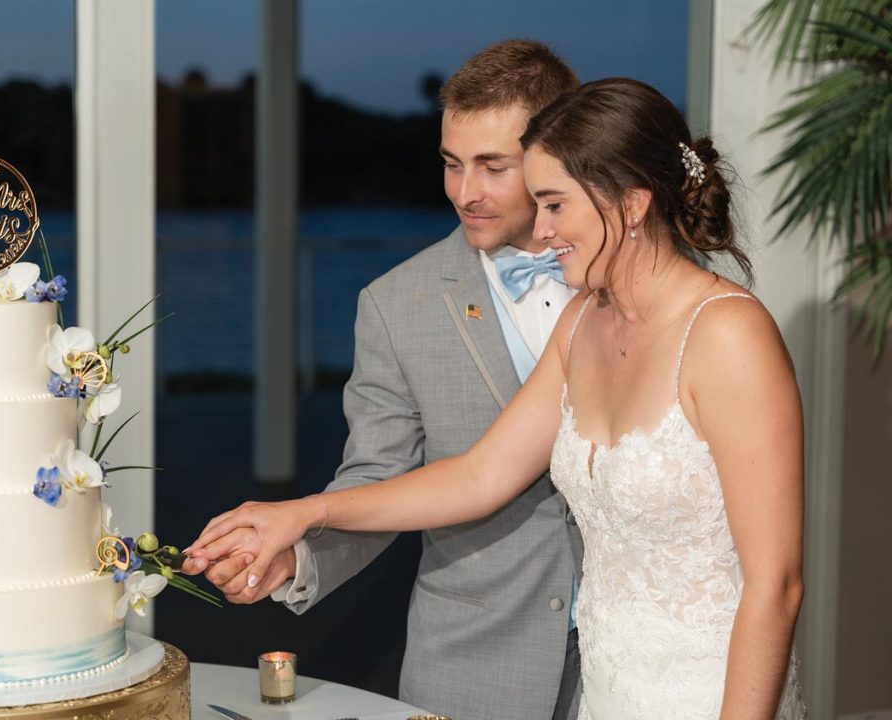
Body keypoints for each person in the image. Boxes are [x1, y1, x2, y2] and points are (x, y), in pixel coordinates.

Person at [187, 77, 807, 720]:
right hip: (609, 690)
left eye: (555, 205)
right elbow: (480, 474)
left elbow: (777, 584)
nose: (541, 229)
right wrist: (303, 513)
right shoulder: (583, 324)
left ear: (630, 204)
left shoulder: (729, 334)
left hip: (709, 692)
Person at [183, 40, 584, 720]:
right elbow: (376, 475)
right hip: (475, 666)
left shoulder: (634, 284)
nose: (465, 192)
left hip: (627, 656)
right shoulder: (396, 304)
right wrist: (296, 558)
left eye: (494, 166)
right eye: (452, 164)